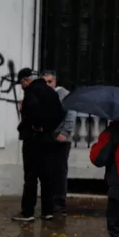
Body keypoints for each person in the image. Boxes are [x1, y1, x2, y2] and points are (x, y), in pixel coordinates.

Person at [12, 68, 65, 222]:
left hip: (33, 140)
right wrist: (49, 128)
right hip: (48, 138)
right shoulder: (51, 92)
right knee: (47, 175)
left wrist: (36, 125)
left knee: (31, 176)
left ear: (26, 80)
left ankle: (27, 212)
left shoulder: (30, 92)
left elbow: (32, 111)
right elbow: (61, 113)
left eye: (22, 83)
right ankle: (48, 211)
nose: (22, 86)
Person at [41, 70, 77, 216]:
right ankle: (51, 202)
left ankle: (60, 203)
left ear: (55, 81)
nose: (47, 84)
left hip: (61, 139)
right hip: (48, 137)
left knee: (59, 171)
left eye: (50, 81)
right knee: (48, 170)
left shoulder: (63, 94)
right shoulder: (43, 95)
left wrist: (65, 132)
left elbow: (71, 112)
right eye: (44, 82)